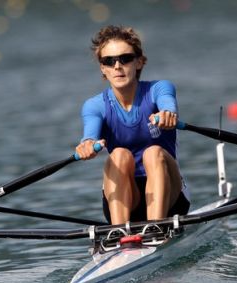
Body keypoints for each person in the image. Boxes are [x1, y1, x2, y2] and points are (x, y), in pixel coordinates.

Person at [75, 25, 190, 225]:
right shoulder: (95, 106)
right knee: (119, 154)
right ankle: (119, 232)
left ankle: (157, 227)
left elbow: (167, 103)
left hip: (170, 196)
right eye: (109, 61)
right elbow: (90, 136)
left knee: (153, 152)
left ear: (139, 62)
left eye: (125, 58)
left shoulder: (158, 89)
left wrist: (167, 114)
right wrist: (86, 145)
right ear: (103, 68)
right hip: (125, 197)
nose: (117, 66)